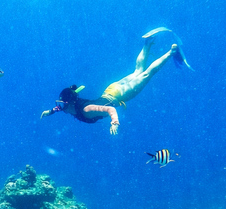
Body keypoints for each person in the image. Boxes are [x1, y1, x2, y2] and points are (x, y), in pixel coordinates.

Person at [40, 30, 186, 135]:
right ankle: (147, 42)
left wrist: (114, 122)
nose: (61, 107)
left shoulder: (87, 110)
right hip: (111, 89)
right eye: (60, 105)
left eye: (61, 105)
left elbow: (111, 109)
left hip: (120, 95)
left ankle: (172, 52)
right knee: (138, 71)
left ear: (70, 103)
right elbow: (62, 107)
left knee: (147, 74)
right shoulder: (69, 106)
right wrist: (50, 112)